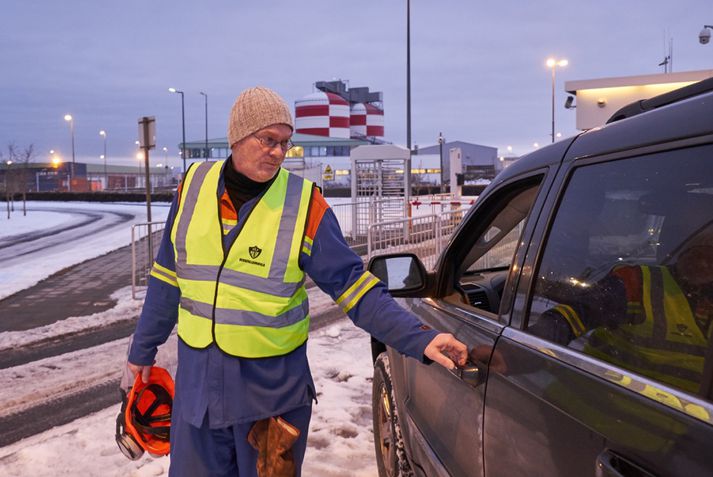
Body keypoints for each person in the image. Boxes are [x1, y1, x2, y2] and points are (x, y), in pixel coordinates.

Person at [126, 86, 467, 477]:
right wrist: (142, 351)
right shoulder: (192, 188)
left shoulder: (304, 206)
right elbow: (166, 279)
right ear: (238, 136)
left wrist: (420, 337)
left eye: (285, 143)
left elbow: (355, 289)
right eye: (267, 140)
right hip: (198, 400)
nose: (277, 152)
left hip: (269, 405)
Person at [532, 233, 713, 394]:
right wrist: (520, 353)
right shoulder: (637, 282)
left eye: (711, 257)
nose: (704, 263)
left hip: (672, 429)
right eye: (698, 253)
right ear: (683, 254)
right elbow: (574, 315)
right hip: (579, 411)